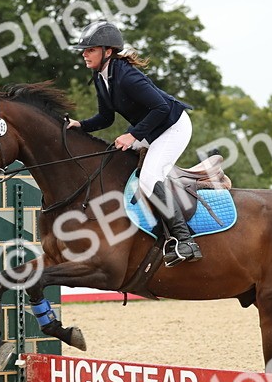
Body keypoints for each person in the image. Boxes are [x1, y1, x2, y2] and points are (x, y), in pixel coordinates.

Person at [67, 21, 202, 265]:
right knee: (116, 163)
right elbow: (106, 117)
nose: (84, 54)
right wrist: (81, 125)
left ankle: (186, 241)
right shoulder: (101, 77)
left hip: (173, 126)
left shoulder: (127, 76)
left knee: (150, 177)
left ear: (108, 51)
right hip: (152, 128)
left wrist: (132, 134)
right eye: (84, 50)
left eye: (90, 49)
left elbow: (161, 108)